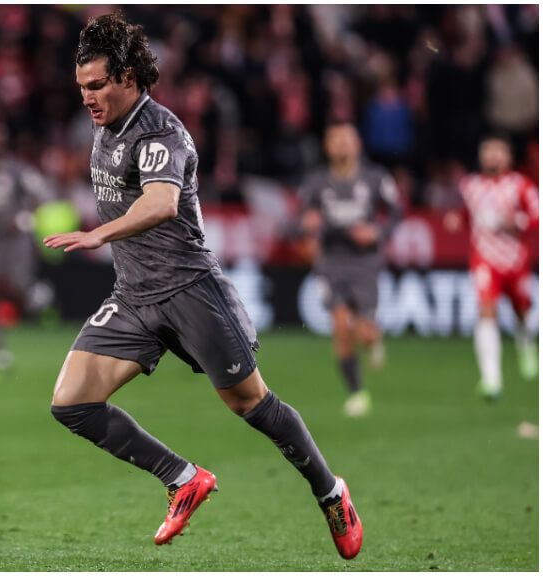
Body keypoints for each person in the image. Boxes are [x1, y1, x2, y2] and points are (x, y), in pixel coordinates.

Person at [43, 13, 362, 559]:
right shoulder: (104, 127)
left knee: (251, 405)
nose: (88, 98)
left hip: (191, 290)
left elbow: (161, 202)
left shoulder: (161, 130)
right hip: (135, 295)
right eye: (81, 88)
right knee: (71, 402)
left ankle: (331, 492)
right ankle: (182, 478)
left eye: (97, 86)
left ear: (128, 78)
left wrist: (99, 235)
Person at [298, 123, 403, 417]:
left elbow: (397, 213)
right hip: (331, 261)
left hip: (365, 262)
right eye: (336, 140)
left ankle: (373, 337)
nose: (342, 145)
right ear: (327, 146)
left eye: (347, 139)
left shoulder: (375, 177)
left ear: (357, 144)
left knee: (365, 331)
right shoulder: (317, 181)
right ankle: (358, 393)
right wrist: (307, 224)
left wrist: (378, 232)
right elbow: (301, 219)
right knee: (341, 325)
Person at [447, 134, 539, 400]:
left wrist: (513, 221)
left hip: (515, 260)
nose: (492, 156)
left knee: (523, 310)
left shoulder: (521, 186)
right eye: (487, 151)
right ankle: (491, 379)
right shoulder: (470, 185)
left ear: (508, 157)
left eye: (498, 151)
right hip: (484, 258)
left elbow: (536, 219)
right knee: (486, 310)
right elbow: (467, 214)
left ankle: (526, 344)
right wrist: (456, 220)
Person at [0, 120, 56, 378]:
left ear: (2, 141)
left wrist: (25, 218)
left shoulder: (16, 169)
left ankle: (41, 298)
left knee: (19, 287)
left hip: (16, 241)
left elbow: (43, 194)